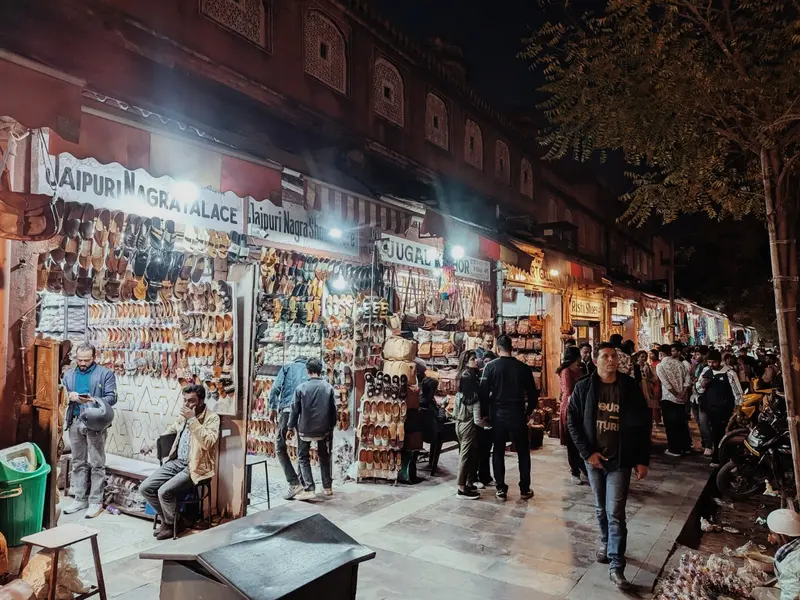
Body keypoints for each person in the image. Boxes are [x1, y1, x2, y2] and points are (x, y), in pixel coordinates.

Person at [567, 342, 651, 590]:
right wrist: (587, 453)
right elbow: (572, 422)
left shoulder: (629, 388)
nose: (611, 360)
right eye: (605, 356)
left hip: (620, 460)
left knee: (615, 512)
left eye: (613, 356)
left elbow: (642, 425)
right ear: (595, 361)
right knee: (600, 509)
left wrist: (641, 459)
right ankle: (605, 542)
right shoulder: (583, 388)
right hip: (594, 460)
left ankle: (617, 564)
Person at [140, 384, 220, 540]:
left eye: (191, 401)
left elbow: (209, 442)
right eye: (185, 401)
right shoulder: (183, 416)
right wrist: (151, 445)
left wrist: (193, 420)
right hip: (177, 461)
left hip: (195, 466)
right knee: (146, 488)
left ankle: (171, 524)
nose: (187, 405)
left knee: (164, 491)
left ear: (202, 401)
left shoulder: (212, 418)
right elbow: (170, 431)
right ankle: (173, 521)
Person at [479, 334, 539, 500]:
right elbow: (533, 394)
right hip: (518, 414)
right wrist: (528, 412)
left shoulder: (490, 367)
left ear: (498, 349)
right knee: (523, 452)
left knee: (498, 451)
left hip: (497, 415)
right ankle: (525, 488)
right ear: (511, 348)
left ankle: (500, 488)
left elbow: (483, 393)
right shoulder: (523, 368)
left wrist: (484, 414)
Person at [61, 344, 118, 519]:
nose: (83, 363)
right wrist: (69, 396)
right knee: (78, 461)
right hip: (75, 420)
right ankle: (79, 498)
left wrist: (92, 399)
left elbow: (112, 397)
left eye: (87, 359)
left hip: (95, 421)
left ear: (95, 357)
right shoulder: (69, 374)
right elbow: (62, 394)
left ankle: (95, 501)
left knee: (96, 462)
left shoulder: (105, 374)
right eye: (80, 360)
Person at [288, 358, 337, 500]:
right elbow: (333, 411)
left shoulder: (301, 388)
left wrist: (290, 427)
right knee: (324, 456)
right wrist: (331, 426)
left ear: (307, 371)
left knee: (303, 457)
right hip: (323, 430)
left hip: (305, 429)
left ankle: (309, 488)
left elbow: (294, 410)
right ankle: (327, 487)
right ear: (320, 371)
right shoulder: (328, 388)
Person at [269, 356, 309, 499]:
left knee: (280, 446)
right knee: (302, 450)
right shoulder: (310, 370)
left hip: (288, 410)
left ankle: (294, 482)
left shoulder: (287, 367)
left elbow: (275, 389)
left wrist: (273, 407)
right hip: (305, 414)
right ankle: (304, 485)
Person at [696, 349, 743, 467]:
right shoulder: (706, 371)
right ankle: (721, 458)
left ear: (719, 361)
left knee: (722, 434)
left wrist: (738, 410)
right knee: (713, 432)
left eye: (714, 362)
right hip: (709, 408)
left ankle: (721, 459)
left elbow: (738, 393)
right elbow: (699, 388)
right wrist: (702, 384)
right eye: (709, 362)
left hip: (725, 409)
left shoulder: (730, 373)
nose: (711, 365)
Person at [454, 350, 482, 499]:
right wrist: (486, 425)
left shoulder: (459, 396)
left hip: (459, 424)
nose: (475, 361)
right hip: (468, 426)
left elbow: (454, 413)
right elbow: (477, 420)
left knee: (468, 454)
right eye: (473, 359)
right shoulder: (474, 399)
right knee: (465, 456)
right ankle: (461, 488)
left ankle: (468, 483)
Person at [656, 344, 693, 457]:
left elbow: (666, 383)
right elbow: (688, 379)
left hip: (669, 398)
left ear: (661, 354)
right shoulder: (680, 363)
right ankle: (686, 447)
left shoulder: (660, 365)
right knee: (682, 423)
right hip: (682, 398)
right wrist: (682, 393)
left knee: (671, 425)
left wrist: (675, 394)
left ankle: (675, 449)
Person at [558, 346, 586, 484]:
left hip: (581, 407)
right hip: (570, 407)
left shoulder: (580, 369)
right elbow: (568, 392)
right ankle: (575, 471)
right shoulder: (566, 371)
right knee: (572, 441)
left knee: (580, 439)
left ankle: (582, 466)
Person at [689, 346, 712, 455]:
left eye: (697, 354)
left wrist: (695, 382)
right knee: (699, 422)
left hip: (703, 397)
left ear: (704, 355)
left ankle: (709, 445)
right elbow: (692, 377)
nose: (694, 356)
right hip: (694, 397)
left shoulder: (707, 368)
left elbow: (700, 383)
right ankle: (704, 443)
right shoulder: (697, 365)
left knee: (704, 423)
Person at [647, 348, 663, 425]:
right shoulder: (651, 364)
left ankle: (658, 419)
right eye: (649, 354)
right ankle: (656, 419)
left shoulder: (659, 364)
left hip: (658, 384)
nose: (650, 355)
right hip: (652, 385)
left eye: (652, 354)